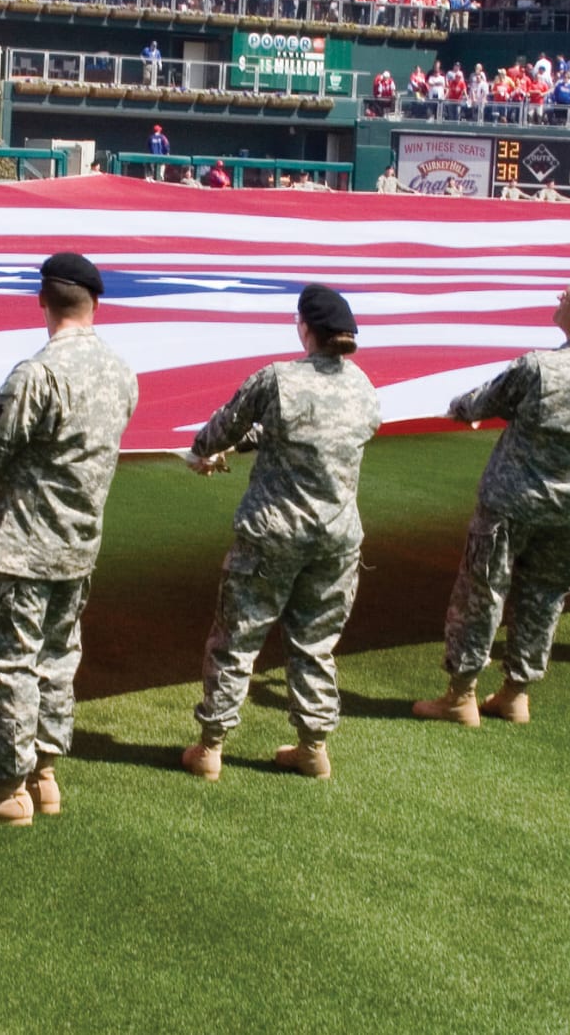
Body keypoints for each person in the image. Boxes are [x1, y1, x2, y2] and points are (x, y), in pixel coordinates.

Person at [0, 254, 138, 823]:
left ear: (42, 300)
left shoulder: (38, 374)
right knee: (56, 660)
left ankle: (4, 789)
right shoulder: (121, 371)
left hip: (21, 545)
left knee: (9, 665)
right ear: (95, 304)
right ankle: (44, 774)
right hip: (78, 543)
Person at [179, 286, 381, 781]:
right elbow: (313, 435)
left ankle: (211, 748)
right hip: (336, 537)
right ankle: (313, 746)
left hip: (272, 534)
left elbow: (222, 428)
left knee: (237, 639)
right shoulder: (363, 388)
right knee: (315, 643)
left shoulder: (278, 379)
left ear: (305, 329)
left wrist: (204, 450)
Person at [413, 271, 570, 727]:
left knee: (482, 592)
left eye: (568, 293)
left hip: (514, 503)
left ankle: (461, 695)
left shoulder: (539, 368)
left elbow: (479, 403)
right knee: (544, 597)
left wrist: (452, 405)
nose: (559, 295)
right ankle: (516, 694)